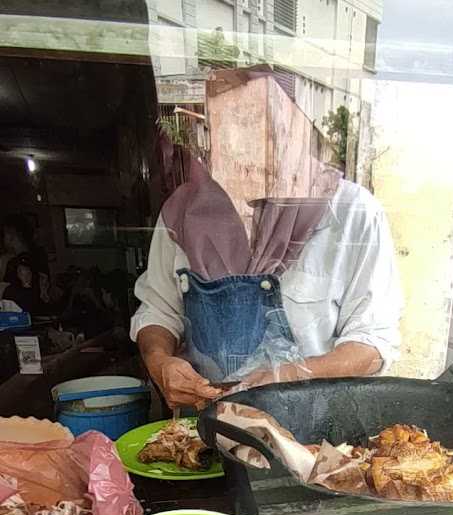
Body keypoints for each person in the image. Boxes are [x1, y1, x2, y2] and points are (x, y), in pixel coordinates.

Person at [131, 72, 402, 411]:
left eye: (256, 127)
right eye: (224, 129)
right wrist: (159, 362)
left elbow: (373, 342)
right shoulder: (182, 213)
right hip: (207, 431)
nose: (240, 148)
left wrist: (290, 377)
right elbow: (158, 309)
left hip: (315, 440)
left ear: (293, 131)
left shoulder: (352, 213)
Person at [0, 214, 50, 318]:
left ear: (11, 235)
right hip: (41, 315)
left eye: (4, 234)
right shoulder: (39, 257)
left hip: (22, 319)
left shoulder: (15, 263)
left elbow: (16, 298)